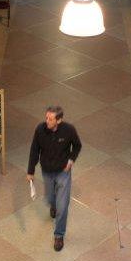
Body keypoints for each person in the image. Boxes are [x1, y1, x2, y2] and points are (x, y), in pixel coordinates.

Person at [26, 106, 82, 251]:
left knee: (63, 206)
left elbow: (77, 146)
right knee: (50, 198)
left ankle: (59, 235)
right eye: (46, 118)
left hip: (63, 172)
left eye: (50, 119)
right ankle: (53, 204)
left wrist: (71, 161)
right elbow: (34, 150)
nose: (47, 121)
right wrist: (30, 171)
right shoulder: (40, 130)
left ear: (59, 120)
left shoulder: (69, 130)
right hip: (47, 171)